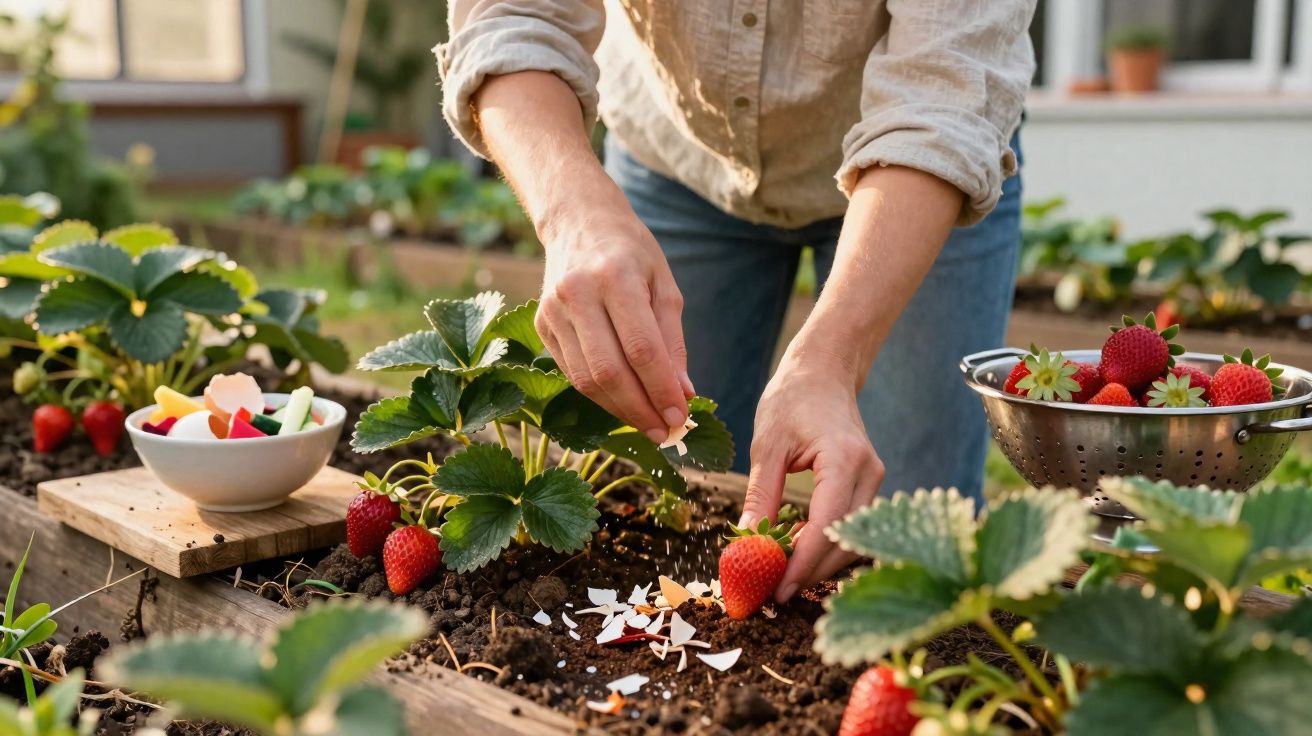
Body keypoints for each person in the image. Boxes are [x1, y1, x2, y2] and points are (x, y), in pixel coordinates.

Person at [437, 1, 1036, 603]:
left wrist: (832, 359)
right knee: (672, 475)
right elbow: (513, 16)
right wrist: (571, 211)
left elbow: (944, 92)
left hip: (920, 173)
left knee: (911, 531)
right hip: (677, 157)